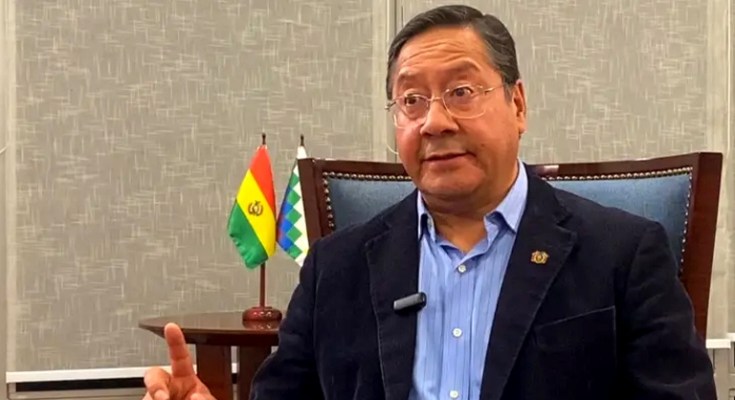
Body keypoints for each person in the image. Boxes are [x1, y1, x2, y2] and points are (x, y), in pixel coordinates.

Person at [142, 4, 716, 400]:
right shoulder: (335, 269)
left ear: (518, 105)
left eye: (462, 91)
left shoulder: (623, 255)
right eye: (411, 100)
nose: (435, 121)